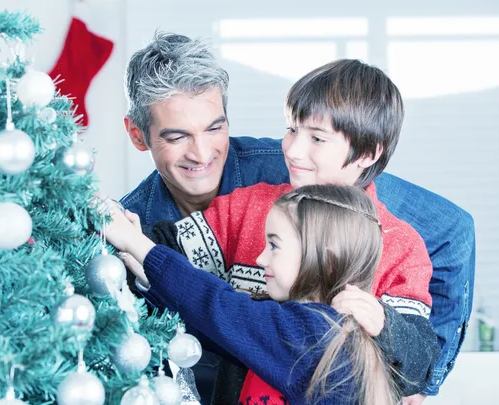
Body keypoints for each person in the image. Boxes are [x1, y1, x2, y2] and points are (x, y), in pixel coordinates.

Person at [120, 32, 475, 404]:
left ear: (368, 153)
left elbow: (419, 351)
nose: (291, 149)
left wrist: (391, 337)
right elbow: (174, 252)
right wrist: (134, 248)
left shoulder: (398, 243)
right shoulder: (250, 203)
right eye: (290, 130)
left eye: (316, 138)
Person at [106, 185, 439, 405]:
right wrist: (144, 271)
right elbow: (213, 329)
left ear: (325, 258)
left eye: (275, 245)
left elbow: (217, 306)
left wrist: (137, 244)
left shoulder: (313, 334)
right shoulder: (314, 330)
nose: (261, 258)